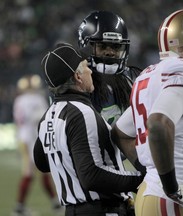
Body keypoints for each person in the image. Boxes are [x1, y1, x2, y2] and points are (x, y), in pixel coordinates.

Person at [111, 9, 183, 216]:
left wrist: (151, 170)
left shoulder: (153, 75)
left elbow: (120, 132)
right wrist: (172, 187)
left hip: (154, 191)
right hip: (170, 197)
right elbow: (159, 123)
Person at [33, 43, 144, 216]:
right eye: (86, 67)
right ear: (77, 76)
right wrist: (139, 180)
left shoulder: (48, 116)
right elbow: (91, 176)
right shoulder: (81, 113)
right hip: (102, 210)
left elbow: (42, 163)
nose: (91, 71)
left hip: (75, 210)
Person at [78, 10, 142, 126]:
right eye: (102, 46)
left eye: (116, 46)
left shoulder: (135, 78)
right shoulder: (77, 83)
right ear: (86, 47)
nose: (110, 52)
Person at [12, 74, 62, 216]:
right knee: (31, 171)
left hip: (26, 137)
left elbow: (20, 120)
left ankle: (54, 203)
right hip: (31, 138)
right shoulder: (35, 99)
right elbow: (42, 117)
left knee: (43, 171)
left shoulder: (19, 99)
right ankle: (19, 207)